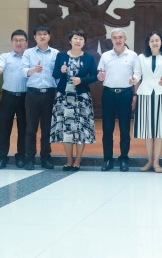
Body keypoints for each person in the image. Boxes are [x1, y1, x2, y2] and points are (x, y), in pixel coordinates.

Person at [51, 30, 97, 172]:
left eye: (81, 39)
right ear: (70, 41)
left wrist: (82, 80)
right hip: (63, 97)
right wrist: (61, 71)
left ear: (84, 42)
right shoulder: (61, 55)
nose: (78, 41)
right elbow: (55, 74)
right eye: (75, 38)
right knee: (66, 129)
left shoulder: (89, 58)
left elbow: (94, 76)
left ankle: (78, 160)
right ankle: (69, 160)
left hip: (81, 98)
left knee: (80, 129)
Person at [132, 31, 162, 173]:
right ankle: (149, 161)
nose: (155, 43)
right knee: (147, 130)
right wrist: (133, 80)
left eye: (157, 40)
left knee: (159, 130)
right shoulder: (141, 57)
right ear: (148, 43)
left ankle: (157, 162)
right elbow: (137, 74)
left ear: (161, 42)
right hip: (145, 94)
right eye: (152, 40)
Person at [96, 28, 138, 172]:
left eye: (120, 37)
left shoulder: (132, 55)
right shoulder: (105, 55)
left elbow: (137, 76)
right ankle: (108, 159)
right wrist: (100, 77)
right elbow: (100, 75)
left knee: (125, 129)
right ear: (111, 39)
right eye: (115, 37)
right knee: (107, 129)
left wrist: (135, 95)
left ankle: (124, 159)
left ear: (125, 39)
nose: (118, 40)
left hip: (126, 94)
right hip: (108, 94)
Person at [21, 25, 60, 170]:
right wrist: (34, 69)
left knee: (47, 128)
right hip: (32, 94)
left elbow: (58, 75)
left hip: (49, 94)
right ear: (35, 37)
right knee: (30, 129)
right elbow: (23, 71)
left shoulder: (56, 53)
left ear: (49, 36)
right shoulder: (28, 53)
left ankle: (46, 158)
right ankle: (29, 159)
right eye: (39, 34)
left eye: (45, 34)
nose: (42, 36)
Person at [0, 30, 29, 169]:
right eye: (15, 40)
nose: (18, 43)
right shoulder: (5, 56)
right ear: (12, 42)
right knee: (4, 128)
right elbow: (0, 67)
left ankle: (21, 157)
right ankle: (2, 158)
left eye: (21, 40)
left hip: (25, 98)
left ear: (26, 42)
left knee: (24, 129)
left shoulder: (30, 57)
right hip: (8, 97)